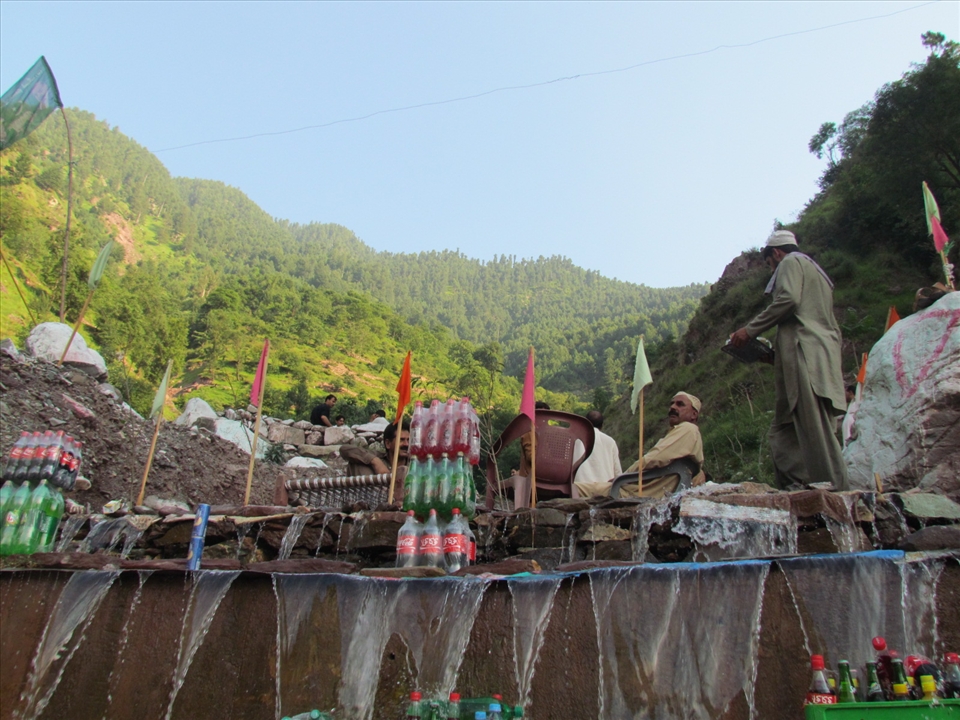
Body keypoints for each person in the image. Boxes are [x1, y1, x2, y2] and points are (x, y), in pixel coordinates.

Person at [730, 230, 849, 490]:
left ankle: (837, 493)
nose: (771, 268)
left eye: (769, 263)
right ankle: (795, 487)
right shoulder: (819, 275)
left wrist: (749, 330)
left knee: (814, 425)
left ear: (775, 253)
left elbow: (788, 300)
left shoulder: (790, 262)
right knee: (784, 429)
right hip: (813, 353)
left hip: (804, 352)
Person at [618, 392, 706, 499]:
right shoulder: (687, 434)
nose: (673, 407)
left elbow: (653, 459)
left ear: (694, 414)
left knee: (592, 490)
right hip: (649, 492)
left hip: (638, 493)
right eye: (672, 404)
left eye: (680, 404)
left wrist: (621, 478)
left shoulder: (688, 429)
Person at [572, 411, 623, 498]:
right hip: (605, 492)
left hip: (579, 490)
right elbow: (618, 473)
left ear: (585, 424)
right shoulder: (610, 441)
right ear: (602, 425)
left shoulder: (576, 440)